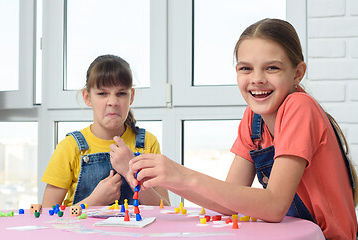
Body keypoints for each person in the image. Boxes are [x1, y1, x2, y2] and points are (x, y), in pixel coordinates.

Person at [126, 19, 357, 239]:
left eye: (272, 68)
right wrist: (167, 178)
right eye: (246, 68)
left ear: (297, 73)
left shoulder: (300, 107)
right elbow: (227, 204)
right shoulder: (253, 119)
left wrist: (182, 175)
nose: (257, 79)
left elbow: (275, 205)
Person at [41, 54, 170, 208]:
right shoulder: (69, 147)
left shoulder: (148, 144)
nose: (113, 102)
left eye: (121, 93)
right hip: (81, 233)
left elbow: (164, 210)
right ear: (87, 97)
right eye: (102, 94)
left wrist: (130, 173)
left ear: (131, 96)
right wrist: (93, 201)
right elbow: (48, 216)